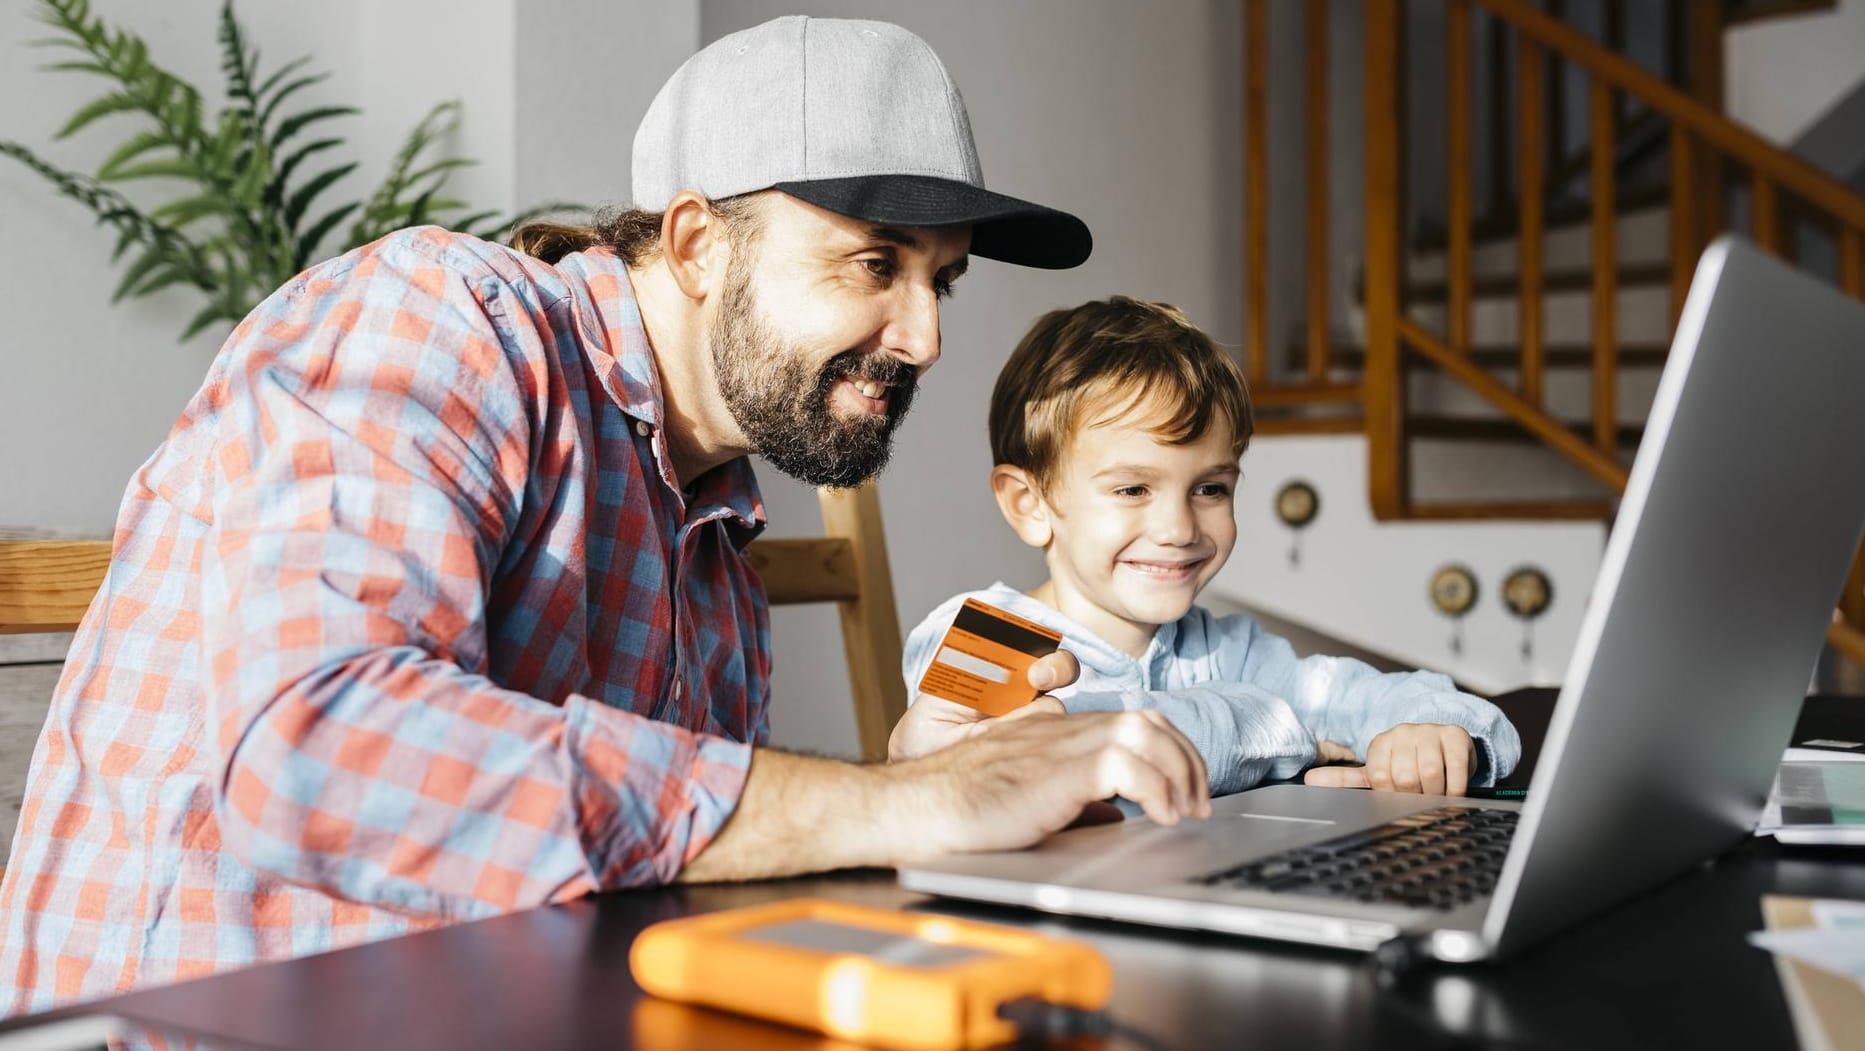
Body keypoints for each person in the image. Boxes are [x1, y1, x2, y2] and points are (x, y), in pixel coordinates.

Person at [0, 17, 1213, 1015]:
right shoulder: (436, 317)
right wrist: (886, 807)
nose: (926, 336)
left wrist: (913, 800)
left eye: (938, 280)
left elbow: (648, 890)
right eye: (872, 262)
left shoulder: (716, 549)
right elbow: (309, 748)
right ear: (695, 243)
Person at [893, 296, 1522, 797]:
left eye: (1210, 488)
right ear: (1031, 506)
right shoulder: (980, 637)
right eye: (1134, 488)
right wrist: (1276, 723)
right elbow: (1075, 760)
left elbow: (1373, 697)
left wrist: (1438, 731)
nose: (1179, 528)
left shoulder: (1229, 649)